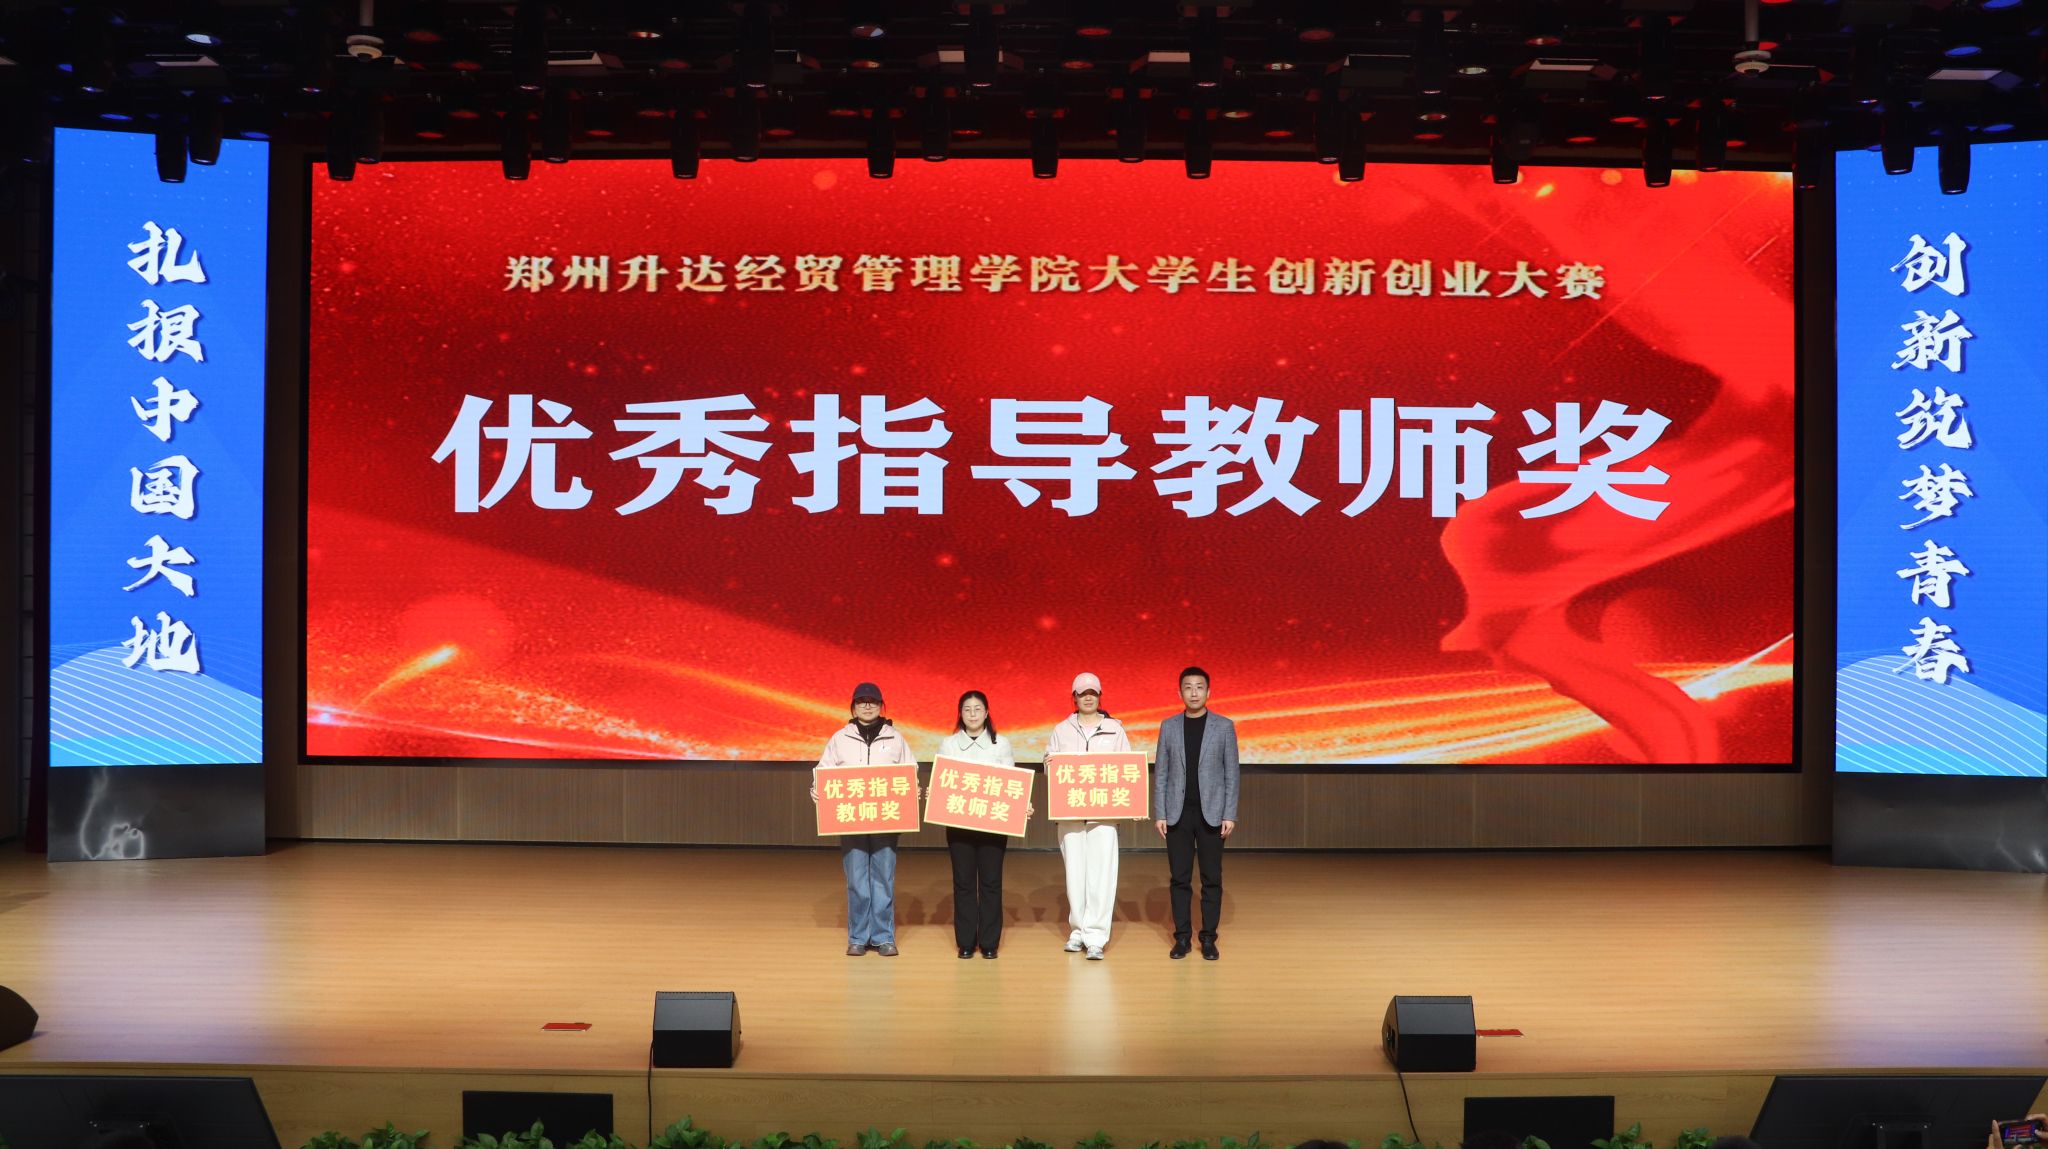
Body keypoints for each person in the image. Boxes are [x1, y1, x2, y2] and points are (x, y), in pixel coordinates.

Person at [811, 681, 917, 957]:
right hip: (851, 820)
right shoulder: (839, 739)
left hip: (886, 819)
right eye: (861, 701)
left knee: (883, 878)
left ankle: (883, 937)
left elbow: (910, 771)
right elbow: (823, 772)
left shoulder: (896, 738)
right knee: (857, 880)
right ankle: (858, 936)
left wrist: (911, 790)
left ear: (881, 706)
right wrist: (818, 791)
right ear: (853, 707)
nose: (867, 706)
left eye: (872, 701)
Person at [1152, 666, 1238, 960]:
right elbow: (1162, 773)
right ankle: (1182, 938)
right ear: (1180, 692)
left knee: (1211, 878)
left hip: (1212, 813)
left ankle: (1209, 939)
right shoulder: (1169, 726)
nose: (1194, 692)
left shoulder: (1224, 726)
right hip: (1177, 813)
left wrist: (1230, 813)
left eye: (1199, 687)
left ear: (1208, 692)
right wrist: (1160, 812)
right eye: (1188, 687)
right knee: (1180, 878)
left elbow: (1231, 774)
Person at [936, 690, 1029, 959]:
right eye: (967, 709)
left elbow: (1010, 782)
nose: (973, 714)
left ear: (987, 713)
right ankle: (966, 941)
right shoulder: (949, 744)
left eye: (978, 709)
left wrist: (1021, 804)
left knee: (991, 882)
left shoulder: (1001, 744)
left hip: (993, 824)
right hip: (959, 824)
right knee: (963, 883)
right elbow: (944, 780)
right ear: (960, 714)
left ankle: (989, 942)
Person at [1045, 672, 1131, 960]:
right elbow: (1051, 768)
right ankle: (1078, 931)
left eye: (1093, 692)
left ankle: (1096, 936)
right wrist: (1050, 765)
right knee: (1075, 876)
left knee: (1101, 876)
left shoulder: (1115, 730)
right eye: (1083, 693)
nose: (1088, 697)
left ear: (1100, 696)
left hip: (1103, 817)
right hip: (1070, 815)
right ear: (1074, 698)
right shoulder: (1061, 730)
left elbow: (1128, 770)